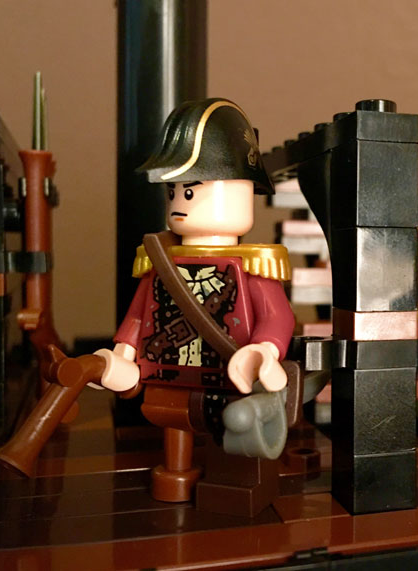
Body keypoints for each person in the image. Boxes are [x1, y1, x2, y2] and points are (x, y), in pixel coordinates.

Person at [95, 99, 294, 513]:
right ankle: (176, 470)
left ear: (242, 192)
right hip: (171, 371)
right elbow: (140, 314)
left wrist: (264, 351)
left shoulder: (254, 265)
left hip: (230, 373)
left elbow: (278, 317)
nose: (179, 202)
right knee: (170, 416)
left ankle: (231, 476)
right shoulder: (160, 262)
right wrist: (124, 352)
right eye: (174, 192)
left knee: (234, 424)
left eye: (190, 190)